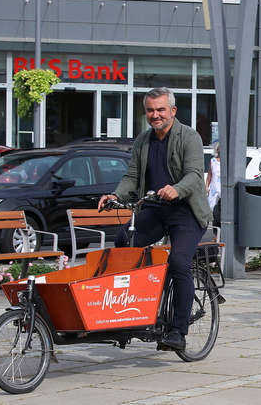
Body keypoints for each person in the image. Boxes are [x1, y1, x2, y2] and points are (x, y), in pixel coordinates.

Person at [98, 87, 212, 351]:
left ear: (172, 111)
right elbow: (132, 176)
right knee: (124, 242)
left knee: (178, 261)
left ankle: (178, 332)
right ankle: (135, 311)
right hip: (155, 209)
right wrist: (115, 195)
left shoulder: (189, 137)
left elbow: (195, 175)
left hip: (187, 212)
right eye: (150, 110)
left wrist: (177, 189)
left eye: (161, 109)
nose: (155, 115)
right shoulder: (143, 141)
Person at [206, 143, 221, 225]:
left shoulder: (227, 162)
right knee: (214, 211)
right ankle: (216, 235)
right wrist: (206, 187)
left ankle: (221, 232)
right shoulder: (213, 161)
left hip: (223, 190)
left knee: (221, 212)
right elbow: (209, 175)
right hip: (214, 190)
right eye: (219, 148)